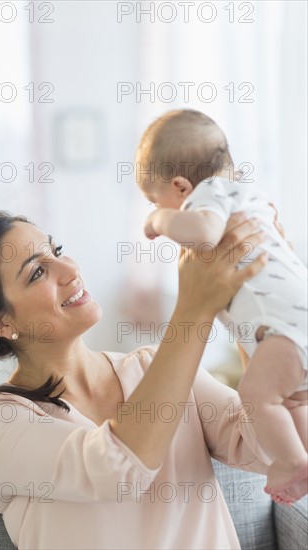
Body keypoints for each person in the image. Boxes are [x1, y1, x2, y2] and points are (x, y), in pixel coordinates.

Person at [0, 210, 271, 550]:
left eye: (57, 251)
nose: (70, 270)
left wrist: (247, 303)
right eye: (37, 273)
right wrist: (195, 308)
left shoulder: (157, 367)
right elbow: (116, 470)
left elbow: (270, 449)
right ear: (0, 323)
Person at [135, 109, 308, 505]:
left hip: (285, 330)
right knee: (293, 399)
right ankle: (301, 458)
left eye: (153, 199)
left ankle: (293, 460)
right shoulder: (251, 197)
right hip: (290, 325)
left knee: (256, 395)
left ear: (181, 187)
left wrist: (160, 221)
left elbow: (206, 233)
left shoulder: (211, 192)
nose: (154, 209)